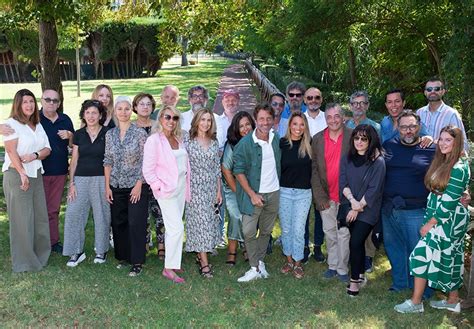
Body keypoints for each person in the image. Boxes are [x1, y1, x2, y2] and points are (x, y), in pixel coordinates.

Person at [395, 125, 470, 313]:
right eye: (441, 139)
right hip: (439, 217)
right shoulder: (443, 161)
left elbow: (448, 204)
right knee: (449, 257)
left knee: (420, 256)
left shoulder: (459, 167)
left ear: (457, 143)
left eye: (448, 140)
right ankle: (453, 300)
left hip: (447, 221)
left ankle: (416, 302)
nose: (443, 143)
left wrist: (429, 224)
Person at [382, 110, 436, 295]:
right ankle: (400, 283)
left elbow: (448, 169)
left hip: (416, 209)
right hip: (389, 208)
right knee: (394, 247)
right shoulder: (388, 146)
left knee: (418, 250)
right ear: (398, 127)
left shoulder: (430, 148)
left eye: (412, 126)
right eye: (404, 127)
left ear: (419, 127)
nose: (408, 131)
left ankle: (424, 290)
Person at [3, 89, 52, 272]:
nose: (29, 105)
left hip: (36, 174)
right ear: (18, 104)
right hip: (17, 175)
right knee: (22, 220)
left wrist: (35, 155)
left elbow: (47, 148)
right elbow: (10, 151)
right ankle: (25, 262)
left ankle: (41, 256)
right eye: (25, 102)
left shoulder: (37, 124)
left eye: (31, 101)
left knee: (39, 217)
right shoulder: (10, 124)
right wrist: (22, 173)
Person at [143, 105, 190, 284]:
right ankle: (168, 269)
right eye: (167, 117)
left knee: (174, 228)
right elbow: (148, 170)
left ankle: (174, 261)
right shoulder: (154, 140)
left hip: (180, 188)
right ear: (160, 119)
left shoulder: (178, 138)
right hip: (166, 190)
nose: (171, 121)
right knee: (176, 228)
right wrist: (159, 187)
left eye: (175, 118)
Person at [234, 103, 281, 282]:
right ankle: (253, 267)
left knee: (266, 231)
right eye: (261, 118)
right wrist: (252, 194)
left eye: (269, 118)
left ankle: (259, 262)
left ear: (273, 120)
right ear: (256, 120)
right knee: (248, 231)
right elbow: (238, 171)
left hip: (274, 193)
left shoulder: (276, 139)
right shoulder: (245, 144)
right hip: (254, 194)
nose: (265, 122)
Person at [63, 100, 111, 267]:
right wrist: (72, 183)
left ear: (100, 115)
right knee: (74, 214)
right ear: (83, 115)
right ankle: (76, 251)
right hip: (81, 179)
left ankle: (101, 249)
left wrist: (107, 184)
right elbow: (74, 160)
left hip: (101, 179)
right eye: (88, 112)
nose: (91, 116)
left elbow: (110, 160)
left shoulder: (108, 133)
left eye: (94, 113)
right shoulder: (78, 134)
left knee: (102, 215)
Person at [104, 96, 149, 276]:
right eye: (120, 109)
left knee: (136, 222)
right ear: (115, 111)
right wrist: (107, 186)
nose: (123, 112)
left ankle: (137, 260)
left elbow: (146, 161)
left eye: (127, 108)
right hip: (116, 184)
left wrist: (139, 183)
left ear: (132, 111)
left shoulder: (140, 133)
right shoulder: (110, 134)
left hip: (136, 185)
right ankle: (124, 257)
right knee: (119, 222)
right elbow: (107, 160)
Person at [340, 125, 385, 296]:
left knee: (355, 242)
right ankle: (359, 274)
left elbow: (374, 190)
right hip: (351, 204)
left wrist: (357, 208)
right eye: (356, 138)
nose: (359, 142)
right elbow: (343, 182)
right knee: (356, 243)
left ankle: (354, 282)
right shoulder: (347, 158)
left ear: (370, 141)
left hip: (368, 209)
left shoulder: (378, 162)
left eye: (364, 139)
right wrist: (352, 202)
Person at [311, 103, 353, 282]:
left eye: (337, 116)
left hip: (346, 195)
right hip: (326, 195)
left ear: (343, 117)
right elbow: (314, 169)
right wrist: (319, 196)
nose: (333, 120)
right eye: (329, 117)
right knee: (329, 232)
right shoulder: (318, 139)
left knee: (344, 233)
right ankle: (332, 265)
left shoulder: (353, 137)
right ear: (325, 119)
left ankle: (343, 269)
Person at [184, 109, 222, 278]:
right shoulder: (188, 140)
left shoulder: (214, 141)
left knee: (209, 222)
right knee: (201, 223)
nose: (205, 123)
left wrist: (219, 191)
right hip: (194, 187)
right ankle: (204, 263)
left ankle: (202, 254)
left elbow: (217, 168)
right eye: (203, 119)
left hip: (211, 187)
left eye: (209, 120)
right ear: (196, 121)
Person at [39, 90, 74, 254]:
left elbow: (74, 145)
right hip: (39, 171)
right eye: (48, 100)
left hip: (60, 171)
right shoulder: (34, 119)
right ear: (41, 101)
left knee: (53, 209)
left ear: (59, 103)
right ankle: (39, 241)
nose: (51, 103)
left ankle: (53, 242)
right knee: (39, 209)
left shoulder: (65, 119)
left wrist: (70, 135)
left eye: (55, 100)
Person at [278, 112, 313, 279]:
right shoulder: (282, 143)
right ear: (289, 125)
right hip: (284, 192)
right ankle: (288, 259)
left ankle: (298, 262)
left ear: (305, 126)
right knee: (286, 229)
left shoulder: (310, 144)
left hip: (303, 193)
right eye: (295, 124)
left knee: (298, 229)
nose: (298, 128)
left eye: (301, 124)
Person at [132, 93, 166, 259]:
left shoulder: (159, 127)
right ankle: (144, 243)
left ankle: (161, 245)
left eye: (148, 104)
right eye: (141, 104)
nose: (145, 107)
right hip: (137, 177)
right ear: (135, 107)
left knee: (159, 212)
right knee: (141, 212)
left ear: (152, 108)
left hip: (157, 176)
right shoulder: (130, 127)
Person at [222, 112, 256, 265]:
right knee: (236, 216)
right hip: (233, 188)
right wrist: (238, 192)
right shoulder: (231, 145)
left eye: (247, 124)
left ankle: (247, 247)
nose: (245, 128)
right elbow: (226, 170)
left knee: (249, 218)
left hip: (251, 189)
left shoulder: (257, 141)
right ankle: (232, 250)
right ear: (236, 128)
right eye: (241, 126)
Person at [303, 87, 327, 263]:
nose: (313, 100)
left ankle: (318, 246)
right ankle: (303, 246)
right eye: (309, 97)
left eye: (316, 97)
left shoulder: (328, 118)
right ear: (305, 100)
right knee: (303, 212)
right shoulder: (298, 119)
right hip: (303, 171)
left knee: (320, 210)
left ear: (321, 99)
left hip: (322, 172)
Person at [417, 77, 469, 151]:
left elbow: (461, 142)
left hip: (443, 159)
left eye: (437, 89)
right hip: (421, 157)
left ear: (443, 91)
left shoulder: (451, 114)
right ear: (425, 92)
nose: (433, 91)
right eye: (429, 89)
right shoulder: (419, 113)